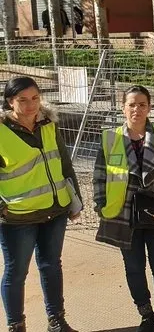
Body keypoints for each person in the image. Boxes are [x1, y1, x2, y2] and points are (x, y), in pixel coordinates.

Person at [93, 86, 154, 332]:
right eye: (132, 104)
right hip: (124, 213)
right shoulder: (110, 138)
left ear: (149, 107)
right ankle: (145, 313)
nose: (137, 109)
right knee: (134, 267)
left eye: (142, 105)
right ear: (123, 107)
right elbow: (100, 176)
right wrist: (100, 204)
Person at [0, 77, 81, 332]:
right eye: (22, 100)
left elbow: (64, 163)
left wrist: (74, 200)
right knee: (16, 272)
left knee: (51, 266)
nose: (30, 105)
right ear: (10, 102)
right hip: (17, 217)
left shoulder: (49, 124)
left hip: (54, 211)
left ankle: (56, 321)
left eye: (35, 98)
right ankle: (16, 326)